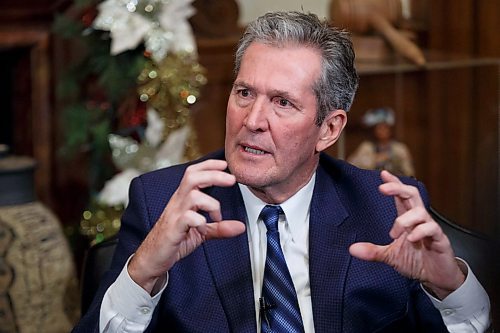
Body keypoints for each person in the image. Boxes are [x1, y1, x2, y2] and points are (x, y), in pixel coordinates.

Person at [73, 11, 490, 333]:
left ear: (328, 129)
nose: (252, 120)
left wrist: (448, 288)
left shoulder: (384, 210)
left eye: (282, 102)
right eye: (244, 93)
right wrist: (144, 269)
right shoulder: (164, 200)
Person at [348, 107, 415, 176]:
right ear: (374, 130)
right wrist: (374, 160)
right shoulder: (366, 147)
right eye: (379, 128)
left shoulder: (400, 149)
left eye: (385, 127)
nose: (382, 131)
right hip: (372, 183)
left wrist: (394, 160)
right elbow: (352, 166)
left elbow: (409, 173)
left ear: (390, 129)